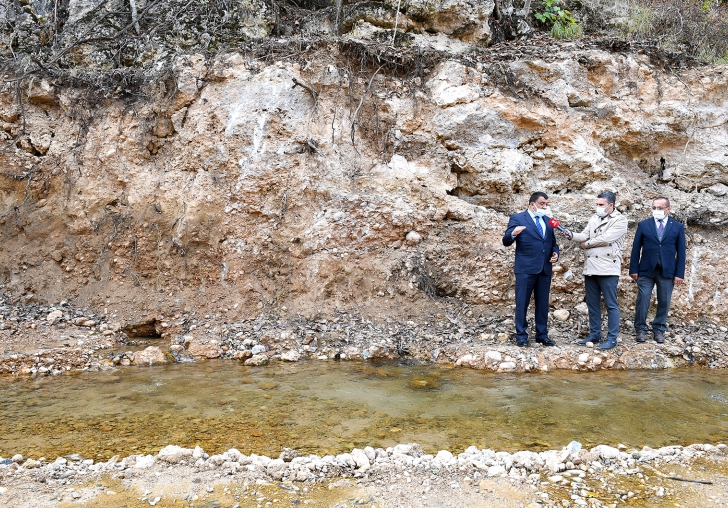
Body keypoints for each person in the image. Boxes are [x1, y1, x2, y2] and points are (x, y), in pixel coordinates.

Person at [564, 191, 628, 350]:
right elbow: (584, 235)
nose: (598, 207)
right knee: (592, 304)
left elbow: (606, 238)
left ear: (611, 205)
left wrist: (587, 244)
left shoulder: (620, 220)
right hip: (591, 267)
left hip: (608, 268)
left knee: (611, 304)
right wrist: (570, 234)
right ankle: (594, 334)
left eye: (601, 205)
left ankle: (612, 338)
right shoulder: (594, 218)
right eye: (597, 204)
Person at [502, 192, 560, 347]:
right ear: (532, 204)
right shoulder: (518, 218)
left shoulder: (548, 221)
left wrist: (556, 253)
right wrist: (513, 233)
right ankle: (521, 335)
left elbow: (552, 243)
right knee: (522, 303)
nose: (545, 207)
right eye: (542, 204)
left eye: (546, 204)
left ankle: (542, 335)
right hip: (525, 269)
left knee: (543, 304)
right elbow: (506, 240)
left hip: (544, 269)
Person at [629, 197, 686, 344]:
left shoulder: (677, 227)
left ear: (668, 209)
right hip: (646, 270)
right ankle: (640, 329)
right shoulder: (644, 225)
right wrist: (633, 268)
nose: (656, 211)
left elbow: (681, 252)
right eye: (654, 207)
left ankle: (659, 329)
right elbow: (636, 249)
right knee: (643, 299)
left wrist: (679, 273)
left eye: (660, 208)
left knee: (664, 301)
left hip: (667, 271)